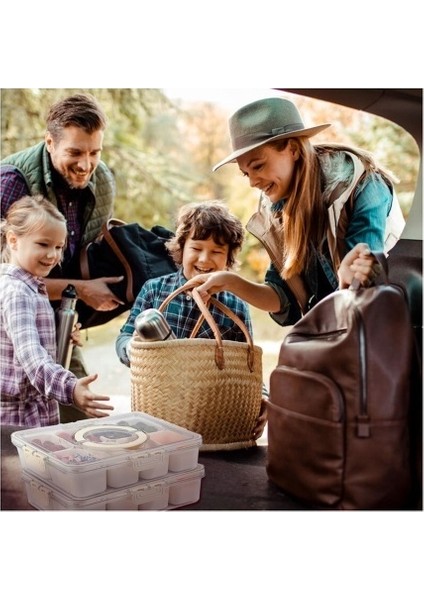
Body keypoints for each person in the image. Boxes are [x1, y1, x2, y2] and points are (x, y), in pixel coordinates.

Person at [190, 96, 406, 325]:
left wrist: (349, 278)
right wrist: (231, 282)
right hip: (332, 332)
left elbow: (366, 284)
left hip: (381, 327)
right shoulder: (279, 211)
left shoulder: (361, 185)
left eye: (258, 166)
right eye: (246, 173)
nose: (252, 182)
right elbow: (283, 298)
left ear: (292, 149)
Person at [1, 93, 123, 421]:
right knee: (67, 410)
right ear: (50, 142)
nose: (85, 164)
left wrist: (63, 316)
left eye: (94, 152)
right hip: (12, 346)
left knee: (71, 420)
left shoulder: (102, 183)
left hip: (53, 314)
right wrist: (80, 289)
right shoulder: (11, 183)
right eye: (74, 152)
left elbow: (80, 254)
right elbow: (9, 276)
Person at [116, 200, 267, 438]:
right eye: (196, 248)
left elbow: (248, 366)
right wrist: (133, 350)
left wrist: (262, 397)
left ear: (228, 258)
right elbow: (124, 337)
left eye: (216, 252)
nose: (204, 260)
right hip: (158, 410)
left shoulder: (236, 305)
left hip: (211, 416)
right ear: (181, 249)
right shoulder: (155, 290)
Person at [0, 195, 114, 428]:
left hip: (31, 412)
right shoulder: (17, 292)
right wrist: (71, 389)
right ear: (13, 240)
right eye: (43, 244)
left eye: (59, 247)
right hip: (19, 421)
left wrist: (59, 335)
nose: (52, 255)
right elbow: (31, 359)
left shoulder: (29, 287)